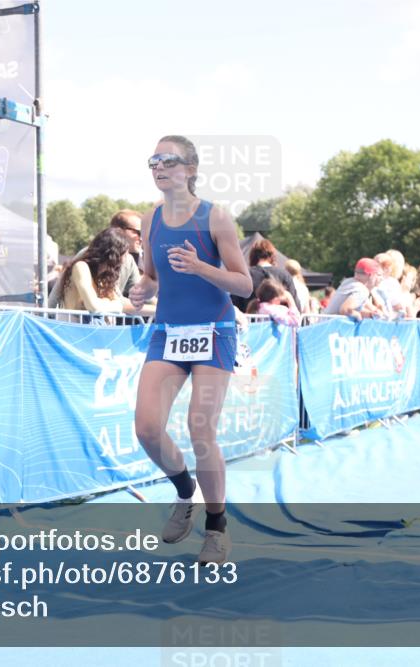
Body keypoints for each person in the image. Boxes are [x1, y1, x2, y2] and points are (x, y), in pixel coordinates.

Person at [130, 135, 251, 565]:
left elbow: (245, 284)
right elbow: (152, 277)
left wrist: (202, 267)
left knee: (201, 431)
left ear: (191, 168)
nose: (158, 167)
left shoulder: (215, 218)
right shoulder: (150, 221)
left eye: (168, 160)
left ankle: (217, 528)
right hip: (169, 330)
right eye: (153, 160)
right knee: (146, 428)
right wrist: (142, 290)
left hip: (214, 330)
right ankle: (185, 491)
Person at [48, 210, 143, 307]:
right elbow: (57, 291)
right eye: (138, 232)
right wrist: (48, 316)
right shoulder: (85, 258)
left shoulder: (129, 260)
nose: (142, 238)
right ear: (118, 230)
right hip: (78, 319)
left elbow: (140, 295)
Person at [56, 227, 141, 315]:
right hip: (73, 327)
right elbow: (94, 306)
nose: (126, 258)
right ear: (115, 254)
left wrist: (106, 303)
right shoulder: (81, 267)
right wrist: (112, 304)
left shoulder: (104, 277)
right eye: (125, 253)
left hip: (89, 327)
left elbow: (119, 303)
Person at [230, 237, 297, 313]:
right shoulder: (284, 275)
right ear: (272, 256)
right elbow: (295, 304)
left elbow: (234, 303)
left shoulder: (245, 275)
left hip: (250, 322)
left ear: (252, 256)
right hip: (281, 323)